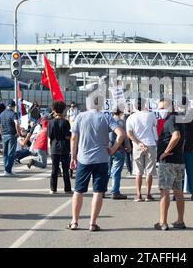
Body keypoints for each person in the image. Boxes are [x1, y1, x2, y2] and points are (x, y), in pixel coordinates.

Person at [69, 96, 125, 231]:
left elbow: (74, 138)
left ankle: (74, 222)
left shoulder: (80, 117)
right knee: (98, 192)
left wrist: (73, 156)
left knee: (78, 191)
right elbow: (121, 134)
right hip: (102, 158)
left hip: (84, 158)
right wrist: (113, 148)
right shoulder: (106, 117)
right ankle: (92, 223)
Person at [155, 99, 186, 231]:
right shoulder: (180, 119)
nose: (160, 110)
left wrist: (165, 152)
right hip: (179, 160)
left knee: (164, 191)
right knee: (178, 192)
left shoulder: (171, 120)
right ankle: (180, 220)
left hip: (168, 162)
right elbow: (182, 139)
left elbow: (176, 136)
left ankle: (163, 222)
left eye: (162, 108)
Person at [126, 99, 158, 202]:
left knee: (138, 172)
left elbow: (129, 133)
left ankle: (138, 195)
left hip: (137, 146)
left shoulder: (131, 117)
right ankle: (148, 194)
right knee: (149, 171)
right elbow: (155, 126)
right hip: (150, 144)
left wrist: (138, 143)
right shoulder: (151, 115)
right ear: (145, 104)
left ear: (135, 106)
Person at [48, 101, 72, 194]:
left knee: (54, 169)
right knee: (65, 169)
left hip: (54, 147)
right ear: (63, 110)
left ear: (54, 110)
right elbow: (67, 136)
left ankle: (53, 189)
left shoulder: (51, 122)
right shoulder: (66, 122)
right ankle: (67, 189)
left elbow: (50, 135)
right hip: (65, 147)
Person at [108, 110, 131, 199]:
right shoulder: (121, 122)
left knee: (107, 170)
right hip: (118, 147)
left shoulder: (107, 120)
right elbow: (124, 135)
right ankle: (115, 191)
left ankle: (102, 191)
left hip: (107, 147)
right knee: (116, 171)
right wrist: (127, 145)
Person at [0, 100, 20, 177]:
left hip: (4, 135)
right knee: (11, 153)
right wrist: (18, 132)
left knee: (5, 153)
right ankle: (8, 170)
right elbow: (16, 123)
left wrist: (1, 134)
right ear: (13, 106)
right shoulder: (14, 114)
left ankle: (6, 169)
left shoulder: (2, 114)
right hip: (12, 135)